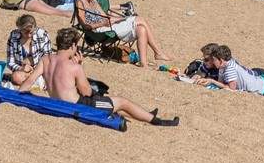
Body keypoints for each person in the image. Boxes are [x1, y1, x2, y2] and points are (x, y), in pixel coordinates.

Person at [46, 28, 176, 125]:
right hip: (79, 106)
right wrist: (80, 66)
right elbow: (86, 92)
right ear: (73, 45)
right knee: (121, 102)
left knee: (113, 105)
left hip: (58, 102)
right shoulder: (74, 66)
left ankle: (146, 115)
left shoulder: (46, 60)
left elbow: (30, 82)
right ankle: (157, 121)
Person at [70, 0, 165, 66]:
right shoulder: (80, 3)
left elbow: (104, 16)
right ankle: (158, 52)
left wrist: (121, 19)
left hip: (108, 25)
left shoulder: (94, 1)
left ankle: (143, 64)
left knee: (141, 29)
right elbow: (85, 25)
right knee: (140, 20)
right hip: (98, 30)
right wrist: (102, 23)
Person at [5, 14, 54, 91]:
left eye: (31, 32)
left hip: (40, 70)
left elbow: (48, 58)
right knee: (16, 77)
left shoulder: (42, 35)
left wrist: (36, 70)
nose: (28, 35)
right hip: (23, 71)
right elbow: (10, 62)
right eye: (25, 32)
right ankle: (35, 83)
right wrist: (22, 68)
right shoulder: (13, 36)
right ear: (19, 29)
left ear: (35, 28)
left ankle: (32, 83)